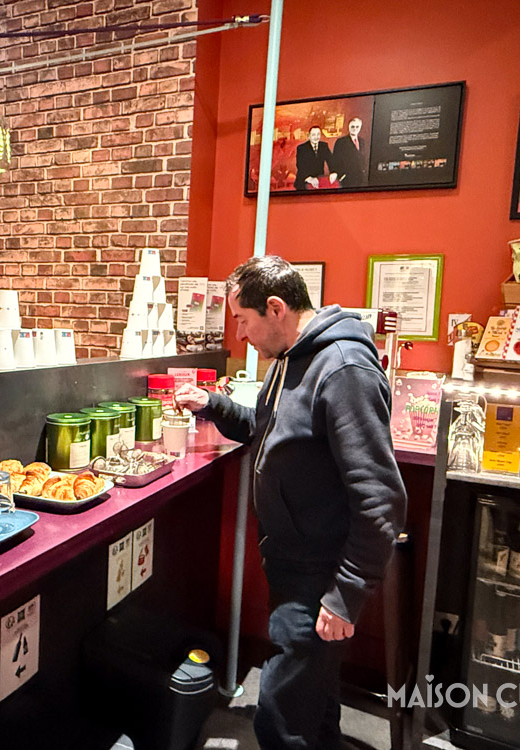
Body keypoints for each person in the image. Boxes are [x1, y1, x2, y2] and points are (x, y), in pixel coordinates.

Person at [174, 256, 406, 750]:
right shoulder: (290, 359)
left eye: (243, 320)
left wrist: (346, 595)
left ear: (275, 308)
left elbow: (380, 496)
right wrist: (213, 405)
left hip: (319, 571)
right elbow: (270, 432)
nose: (240, 335)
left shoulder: (343, 369)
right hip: (292, 559)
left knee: (278, 716)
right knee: (312, 699)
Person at [293, 125, 335, 190]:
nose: (316, 137)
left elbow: (331, 160)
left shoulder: (324, 146)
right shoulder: (301, 148)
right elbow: (300, 165)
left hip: (319, 180)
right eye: (313, 135)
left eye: (318, 134)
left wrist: (333, 172)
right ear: (309, 136)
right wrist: (309, 178)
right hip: (304, 182)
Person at [332, 117, 369, 187]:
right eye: (352, 126)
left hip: (360, 179)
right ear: (348, 127)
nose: (355, 129)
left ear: (360, 128)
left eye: (357, 127)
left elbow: (363, 158)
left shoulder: (362, 141)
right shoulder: (341, 142)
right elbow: (335, 159)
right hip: (347, 179)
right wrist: (341, 175)